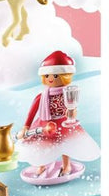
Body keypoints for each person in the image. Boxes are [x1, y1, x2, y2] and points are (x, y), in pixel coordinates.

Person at [16, 50, 100, 178]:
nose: (50, 79)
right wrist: (26, 127)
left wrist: (72, 113)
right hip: (44, 124)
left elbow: (71, 109)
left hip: (62, 123)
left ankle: (67, 165)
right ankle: (42, 165)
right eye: (47, 75)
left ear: (65, 76)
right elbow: (32, 112)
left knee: (66, 145)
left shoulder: (68, 94)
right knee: (41, 145)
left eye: (55, 76)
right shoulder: (42, 96)